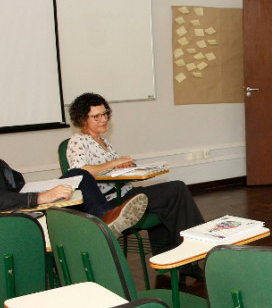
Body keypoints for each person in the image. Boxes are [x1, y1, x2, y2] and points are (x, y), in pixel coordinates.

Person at [0, 87, 147, 238]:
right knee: (78, 183)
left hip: (7, 208)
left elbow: (5, 183)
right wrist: (40, 196)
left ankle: (104, 222)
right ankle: (104, 223)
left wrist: (41, 189)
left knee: (79, 177)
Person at [65, 93, 206, 259]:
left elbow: (106, 171)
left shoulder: (103, 140)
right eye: (96, 116)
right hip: (109, 201)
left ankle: (175, 257)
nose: (103, 119)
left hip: (124, 192)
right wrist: (113, 163)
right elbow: (79, 173)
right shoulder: (78, 140)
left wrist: (122, 167)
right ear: (82, 119)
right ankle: (198, 248)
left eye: (105, 114)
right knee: (177, 189)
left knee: (170, 203)